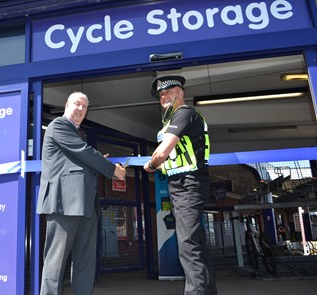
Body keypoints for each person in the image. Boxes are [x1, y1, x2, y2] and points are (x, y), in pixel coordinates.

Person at [36, 91, 126, 295]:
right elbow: (84, 152)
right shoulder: (59, 125)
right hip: (63, 205)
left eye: (84, 106)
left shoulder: (78, 133)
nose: (79, 109)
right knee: (55, 263)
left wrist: (95, 164)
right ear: (66, 105)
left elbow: (80, 158)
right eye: (76, 104)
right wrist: (113, 170)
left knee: (85, 263)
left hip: (86, 206)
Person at [143, 76, 217, 295]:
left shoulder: (184, 114)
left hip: (189, 184)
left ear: (181, 92)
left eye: (169, 91)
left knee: (189, 247)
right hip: (182, 186)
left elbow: (163, 152)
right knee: (195, 246)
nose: (164, 97)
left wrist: (152, 163)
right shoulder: (174, 119)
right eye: (161, 95)